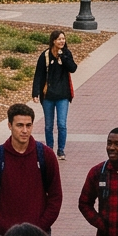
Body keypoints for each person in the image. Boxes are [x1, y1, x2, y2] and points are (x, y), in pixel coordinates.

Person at [0, 103, 63, 236]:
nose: (25, 130)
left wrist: (41, 226)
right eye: (20, 125)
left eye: (28, 125)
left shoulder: (46, 155)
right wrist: (3, 226)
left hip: (39, 235)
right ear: (9, 125)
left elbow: (56, 195)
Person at [29, 30, 77, 158]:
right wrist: (35, 92)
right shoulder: (45, 55)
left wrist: (63, 58)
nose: (62, 41)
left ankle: (61, 150)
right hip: (48, 96)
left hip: (63, 95)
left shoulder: (66, 53)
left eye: (63, 39)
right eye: (59, 39)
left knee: (62, 124)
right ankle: (49, 149)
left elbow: (73, 68)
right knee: (48, 125)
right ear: (53, 41)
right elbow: (38, 74)